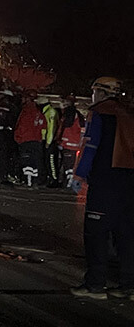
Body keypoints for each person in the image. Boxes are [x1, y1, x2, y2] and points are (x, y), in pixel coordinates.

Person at [69, 77, 134, 300]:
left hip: (105, 182)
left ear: (101, 93)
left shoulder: (99, 113)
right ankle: (129, 286)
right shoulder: (129, 112)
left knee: (96, 234)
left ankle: (95, 285)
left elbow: (90, 145)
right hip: (129, 184)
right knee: (126, 236)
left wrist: (79, 174)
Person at [13, 94, 46, 187]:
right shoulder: (39, 113)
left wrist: (17, 138)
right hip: (37, 141)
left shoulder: (25, 112)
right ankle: (35, 181)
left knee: (27, 161)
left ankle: (28, 181)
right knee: (35, 162)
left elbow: (20, 126)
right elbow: (44, 126)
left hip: (26, 140)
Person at [58, 96, 86, 185]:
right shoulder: (78, 114)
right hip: (75, 143)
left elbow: (65, 128)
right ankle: (69, 181)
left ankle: (69, 183)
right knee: (72, 164)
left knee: (68, 164)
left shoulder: (69, 114)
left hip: (67, 143)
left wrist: (60, 141)